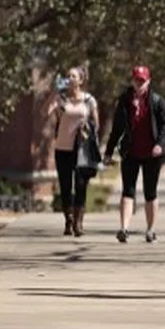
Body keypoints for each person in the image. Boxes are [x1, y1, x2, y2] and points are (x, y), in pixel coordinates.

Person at [104, 65, 165, 243]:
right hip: (130, 152)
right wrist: (109, 151)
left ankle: (151, 230)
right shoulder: (125, 101)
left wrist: (160, 144)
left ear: (148, 81)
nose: (139, 83)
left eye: (142, 80)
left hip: (151, 154)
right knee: (128, 190)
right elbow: (117, 128)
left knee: (150, 192)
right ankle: (124, 228)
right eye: (136, 80)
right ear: (132, 81)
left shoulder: (157, 101)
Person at [48, 67, 100, 237]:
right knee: (65, 186)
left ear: (81, 80)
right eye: (68, 75)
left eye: (73, 76)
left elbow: (96, 124)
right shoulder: (61, 99)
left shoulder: (89, 100)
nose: (69, 78)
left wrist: (88, 127)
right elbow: (47, 115)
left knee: (80, 185)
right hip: (62, 148)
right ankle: (68, 220)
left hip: (81, 150)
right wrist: (52, 100)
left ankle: (79, 223)